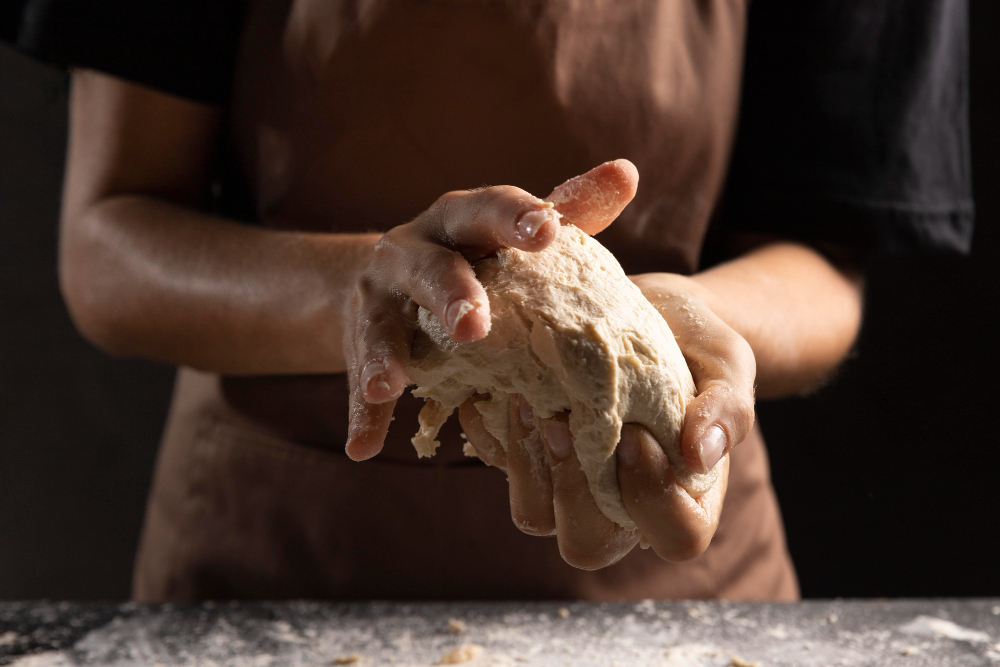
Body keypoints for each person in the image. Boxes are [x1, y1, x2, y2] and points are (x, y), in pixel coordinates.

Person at [1, 0, 973, 601]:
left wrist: (653, 330)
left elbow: (819, 257)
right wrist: (365, 290)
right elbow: (109, 240)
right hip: (276, 565)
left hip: (666, 563)